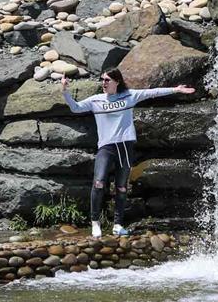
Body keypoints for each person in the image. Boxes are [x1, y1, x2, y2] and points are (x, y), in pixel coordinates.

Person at [61, 69, 195, 238]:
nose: (104, 83)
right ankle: (95, 222)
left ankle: (118, 224)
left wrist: (175, 89)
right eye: (102, 80)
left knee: (122, 187)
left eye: (108, 80)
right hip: (106, 148)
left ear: (117, 81)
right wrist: (65, 91)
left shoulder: (129, 96)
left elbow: (151, 93)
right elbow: (75, 108)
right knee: (99, 182)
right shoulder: (96, 100)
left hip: (125, 147)